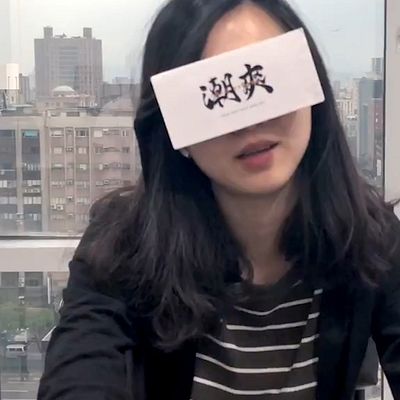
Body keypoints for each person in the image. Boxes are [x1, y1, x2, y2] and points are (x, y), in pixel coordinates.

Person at [38, 0, 400, 399]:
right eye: (214, 95)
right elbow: (81, 368)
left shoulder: (371, 238)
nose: (252, 118)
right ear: (173, 126)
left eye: (264, 78)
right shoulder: (124, 245)